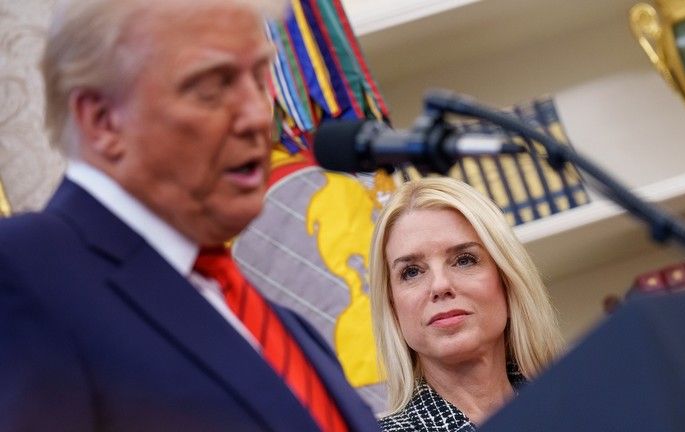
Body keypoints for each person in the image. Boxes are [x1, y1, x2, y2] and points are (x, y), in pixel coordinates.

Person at [0, 0, 379, 430]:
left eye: (260, 79)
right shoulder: (23, 271)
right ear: (102, 121)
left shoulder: (287, 327)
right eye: (212, 87)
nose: (258, 116)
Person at [369, 177, 563, 431]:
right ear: (393, 306)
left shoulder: (582, 409)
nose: (439, 285)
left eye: (464, 260)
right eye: (412, 272)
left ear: (507, 279)